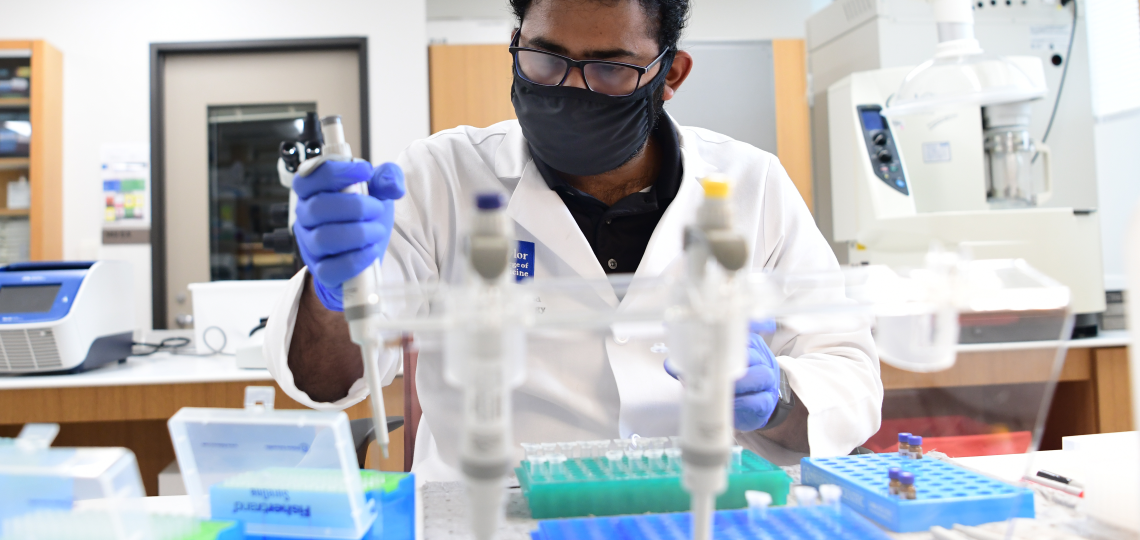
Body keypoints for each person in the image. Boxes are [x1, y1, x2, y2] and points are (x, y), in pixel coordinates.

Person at [263, 0, 882, 480]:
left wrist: (775, 399)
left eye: (611, 67)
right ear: (515, 47)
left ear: (671, 74)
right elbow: (327, 379)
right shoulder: (438, 177)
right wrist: (332, 290)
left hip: (694, 512)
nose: (570, 87)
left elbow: (849, 377)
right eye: (545, 58)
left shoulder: (752, 184)